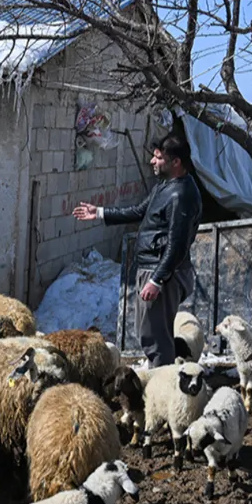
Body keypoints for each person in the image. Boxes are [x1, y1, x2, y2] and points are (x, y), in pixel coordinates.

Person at [72, 134, 202, 368]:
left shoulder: (180, 195)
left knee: (156, 338)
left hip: (163, 273)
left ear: (176, 162)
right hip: (152, 268)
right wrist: (100, 212)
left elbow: (177, 245)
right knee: (148, 332)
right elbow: (139, 211)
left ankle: (161, 383)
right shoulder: (165, 186)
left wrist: (157, 279)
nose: (152, 161)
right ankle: (160, 376)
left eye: (158, 158)